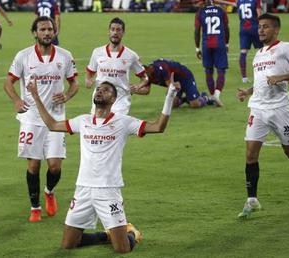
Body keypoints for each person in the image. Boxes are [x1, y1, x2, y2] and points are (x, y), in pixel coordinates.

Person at [28, 75, 180, 253]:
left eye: (106, 90)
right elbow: (53, 125)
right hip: (83, 189)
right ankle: (107, 236)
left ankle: (130, 233)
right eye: (98, 89)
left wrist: (170, 95)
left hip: (108, 190)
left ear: (113, 99)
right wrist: (36, 96)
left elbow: (158, 127)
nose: (100, 91)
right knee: (68, 244)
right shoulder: (83, 120)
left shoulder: (123, 122)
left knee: (122, 249)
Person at [3, 16, 79, 222]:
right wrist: (17, 100)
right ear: (35, 33)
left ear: (55, 32)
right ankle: (35, 207)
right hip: (31, 119)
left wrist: (68, 95)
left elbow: (74, 83)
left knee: (55, 166)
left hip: (56, 119)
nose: (47, 33)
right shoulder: (24, 56)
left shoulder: (64, 56)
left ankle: (49, 191)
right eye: (43, 30)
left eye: (50, 29)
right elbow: (8, 82)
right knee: (34, 166)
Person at [236, 14, 289, 219]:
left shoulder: (286, 47)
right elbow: (262, 81)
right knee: (250, 154)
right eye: (260, 26)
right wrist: (248, 91)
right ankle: (252, 200)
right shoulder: (258, 54)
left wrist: (282, 76)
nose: (261, 30)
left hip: (280, 110)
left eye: (266, 27)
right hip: (258, 109)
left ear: (276, 30)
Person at [85, 17, 148, 115]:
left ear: (123, 33)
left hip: (120, 100)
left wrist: (138, 86)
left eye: (118, 30)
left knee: (114, 128)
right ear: (109, 31)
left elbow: (144, 77)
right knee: (97, 128)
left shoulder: (131, 55)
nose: (115, 32)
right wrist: (88, 80)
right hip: (100, 98)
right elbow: (90, 72)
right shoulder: (97, 52)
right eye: (113, 29)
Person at [133, 58, 218, 108]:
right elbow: (146, 91)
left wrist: (170, 91)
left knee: (194, 105)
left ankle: (206, 98)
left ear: (148, 69)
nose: (143, 78)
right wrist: (133, 90)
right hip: (176, 83)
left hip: (185, 77)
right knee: (172, 105)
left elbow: (171, 86)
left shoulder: (161, 68)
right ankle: (187, 98)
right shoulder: (147, 75)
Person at [215, 0, 263, 83]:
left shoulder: (240, 1)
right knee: (263, 50)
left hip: (244, 29)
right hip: (255, 28)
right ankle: (263, 74)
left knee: (243, 52)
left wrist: (217, 1)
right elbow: (259, 15)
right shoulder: (256, 1)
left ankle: (244, 77)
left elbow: (231, 4)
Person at [194, 0, 230, 107]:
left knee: (208, 70)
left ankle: (212, 95)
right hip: (220, 43)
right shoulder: (221, 11)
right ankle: (217, 95)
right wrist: (227, 43)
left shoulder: (200, 12)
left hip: (206, 45)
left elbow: (197, 31)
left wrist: (197, 48)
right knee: (221, 70)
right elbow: (226, 29)